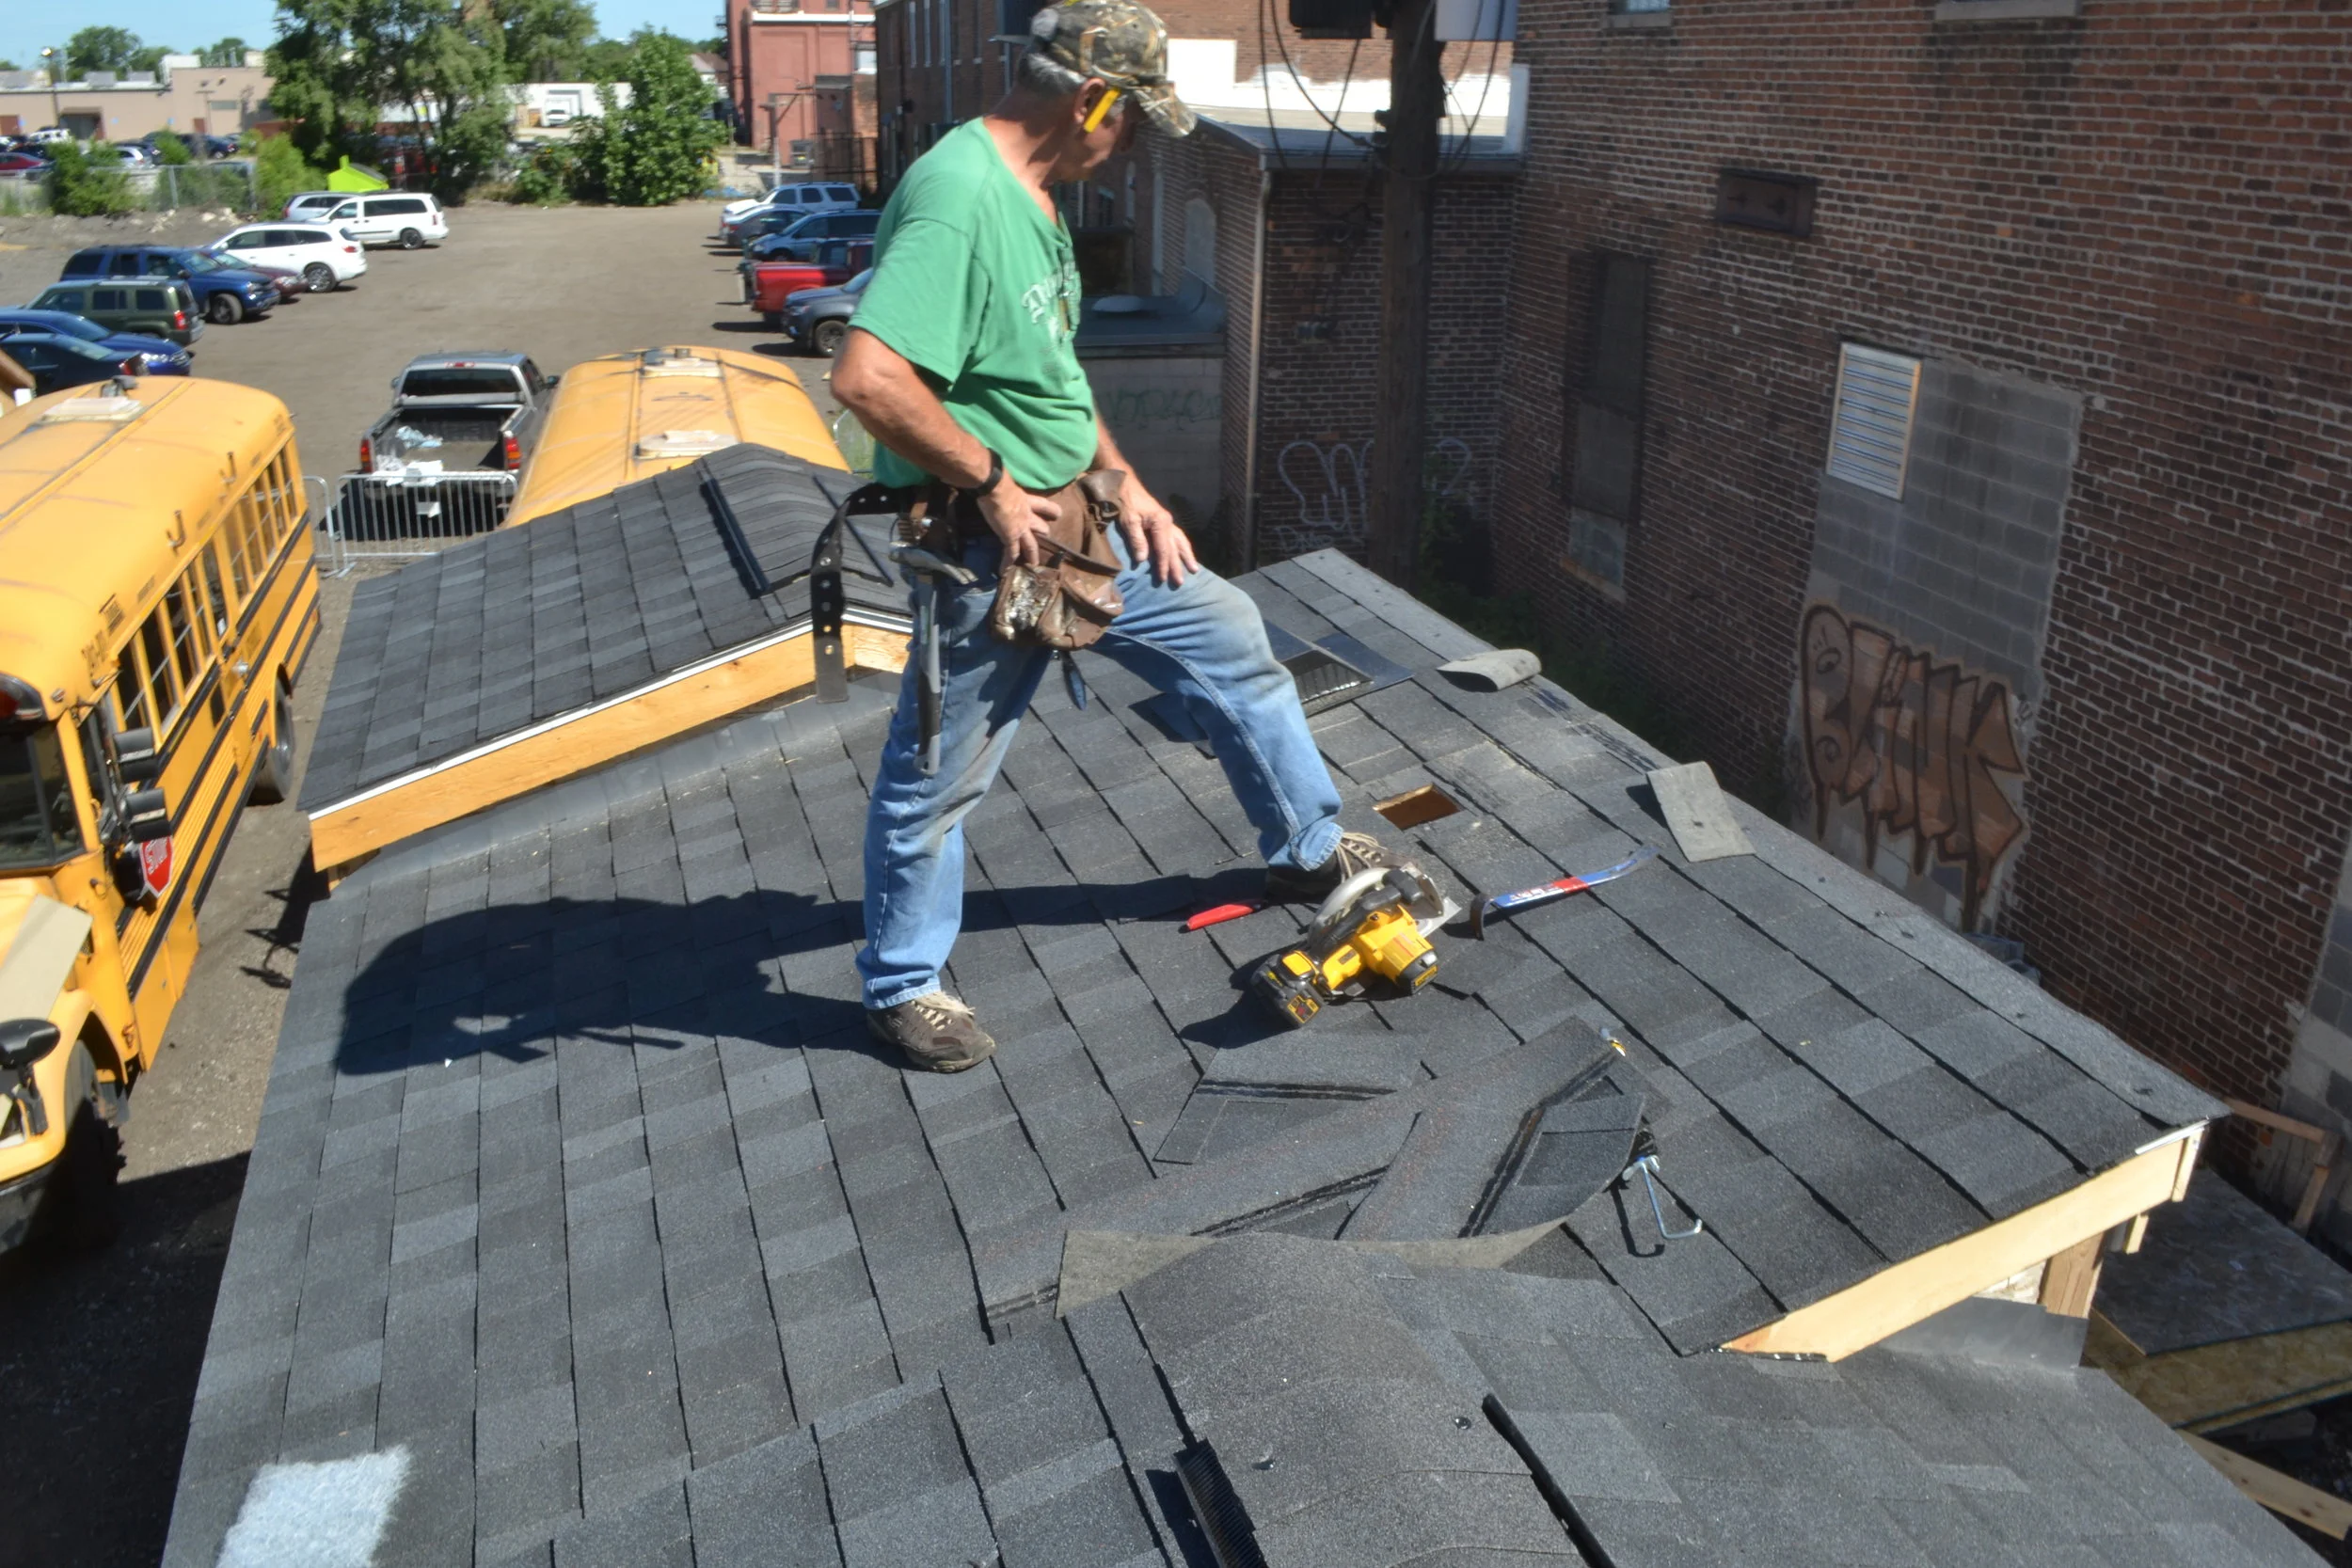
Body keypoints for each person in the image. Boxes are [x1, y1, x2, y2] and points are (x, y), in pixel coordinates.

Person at [834, 0, 1400, 1072]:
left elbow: (1045, 371)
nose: (1130, 140)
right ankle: (902, 983)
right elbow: (866, 378)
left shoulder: (1035, 195)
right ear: (1089, 96)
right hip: (990, 550)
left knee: (1230, 634)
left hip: (1082, 521)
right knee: (938, 773)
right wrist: (995, 485)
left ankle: (1305, 851)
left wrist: (1124, 480)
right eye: (1130, 119)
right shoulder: (959, 201)